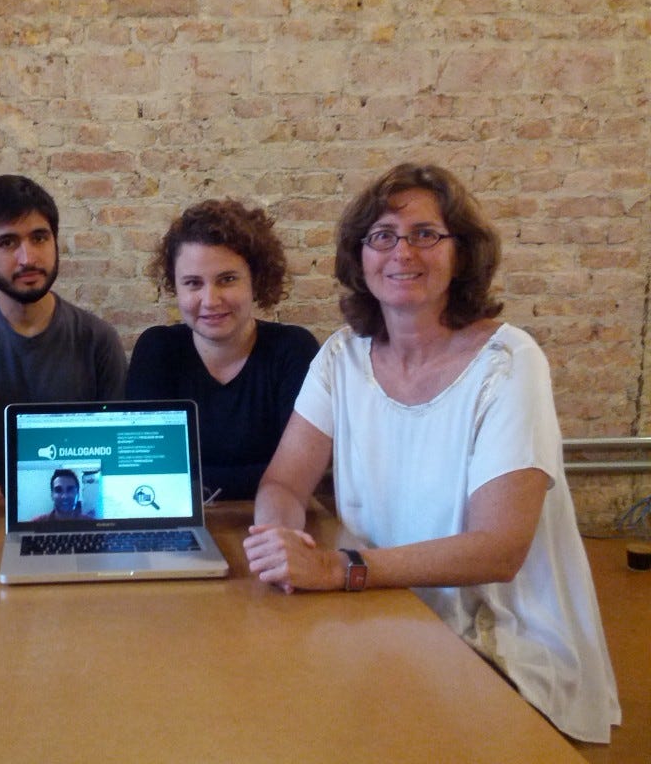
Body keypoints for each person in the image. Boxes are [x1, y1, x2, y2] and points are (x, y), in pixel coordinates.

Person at [242, 163, 620, 743]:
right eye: (383, 236)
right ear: (359, 255)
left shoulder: (510, 363)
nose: (403, 252)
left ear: (462, 253)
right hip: (382, 610)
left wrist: (339, 569)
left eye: (425, 234)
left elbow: (498, 550)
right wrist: (278, 545)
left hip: (502, 640)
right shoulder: (343, 356)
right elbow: (285, 484)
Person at [0, 175, 127, 519]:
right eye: (7, 243)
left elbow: (116, 456)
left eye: (39, 238)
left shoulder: (97, 339)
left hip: (76, 521)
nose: (27, 258)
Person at [126, 199, 319, 499]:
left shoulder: (293, 350)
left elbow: (305, 472)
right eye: (193, 283)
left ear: (256, 280)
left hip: (275, 524)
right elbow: (148, 470)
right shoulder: (157, 350)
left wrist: (193, 482)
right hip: (178, 525)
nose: (210, 300)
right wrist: (267, 476)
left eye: (227, 279)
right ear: (175, 288)